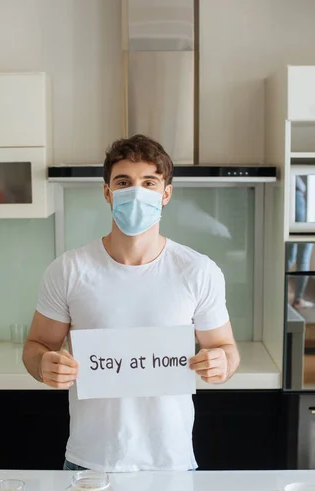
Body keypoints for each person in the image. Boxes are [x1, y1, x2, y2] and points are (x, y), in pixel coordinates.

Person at [23, 134, 240, 472]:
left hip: (172, 461)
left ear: (166, 193)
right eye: (123, 182)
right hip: (90, 463)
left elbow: (227, 350)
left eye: (149, 182)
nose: (135, 192)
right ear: (108, 192)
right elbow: (36, 347)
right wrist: (44, 365)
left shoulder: (198, 271)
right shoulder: (68, 270)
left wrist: (221, 363)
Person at [287, 176, 313, 308]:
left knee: (289, 256)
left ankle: (277, 294)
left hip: (290, 198)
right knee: (304, 254)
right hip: (299, 199)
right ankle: (297, 300)